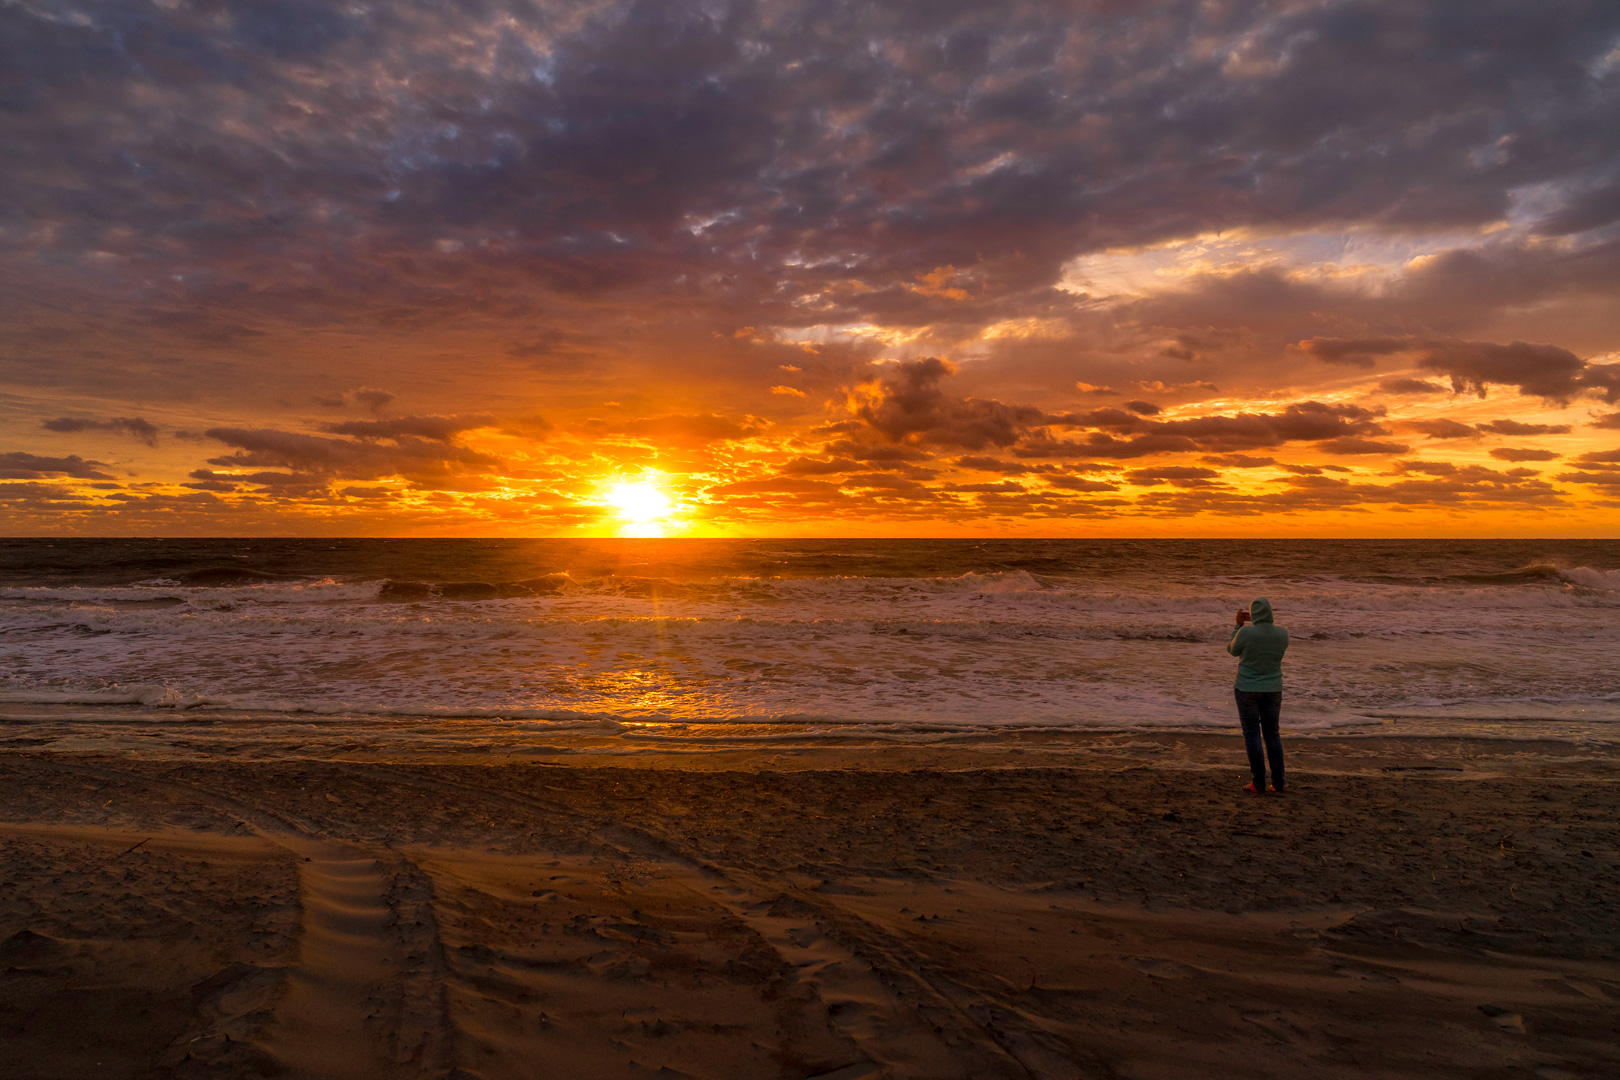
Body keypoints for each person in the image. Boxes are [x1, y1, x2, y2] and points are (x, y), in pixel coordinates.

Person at [1227, 597, 1288, 795]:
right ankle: (1278, 783)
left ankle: (1258, 783)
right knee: (1272, 734)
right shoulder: (1282, 634)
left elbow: (1232, 649)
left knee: (1252, 734)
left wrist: (1238, 626)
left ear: (1252, 615)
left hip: (1247, 688)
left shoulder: (1246, 632)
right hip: (1273, 688)